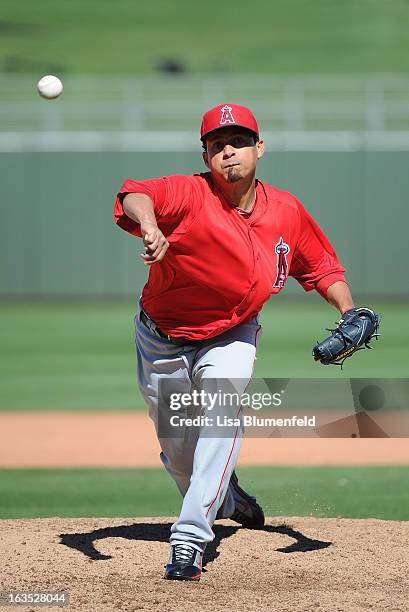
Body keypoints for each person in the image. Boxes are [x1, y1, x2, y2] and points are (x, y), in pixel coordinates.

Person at [113, 103, 354, 581]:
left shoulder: (285, 210)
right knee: (180, 451)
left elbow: (322, 267)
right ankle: (227, 498)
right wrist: (150, 224)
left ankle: (189, 540)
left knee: (220, 415)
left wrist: (350, 312)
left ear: (259, 148)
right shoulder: (188, 193)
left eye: (239, 142)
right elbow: (135, 192)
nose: (229, 152)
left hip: (233, 334)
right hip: (162, 339)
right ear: (205, 157)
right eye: (217, 146)